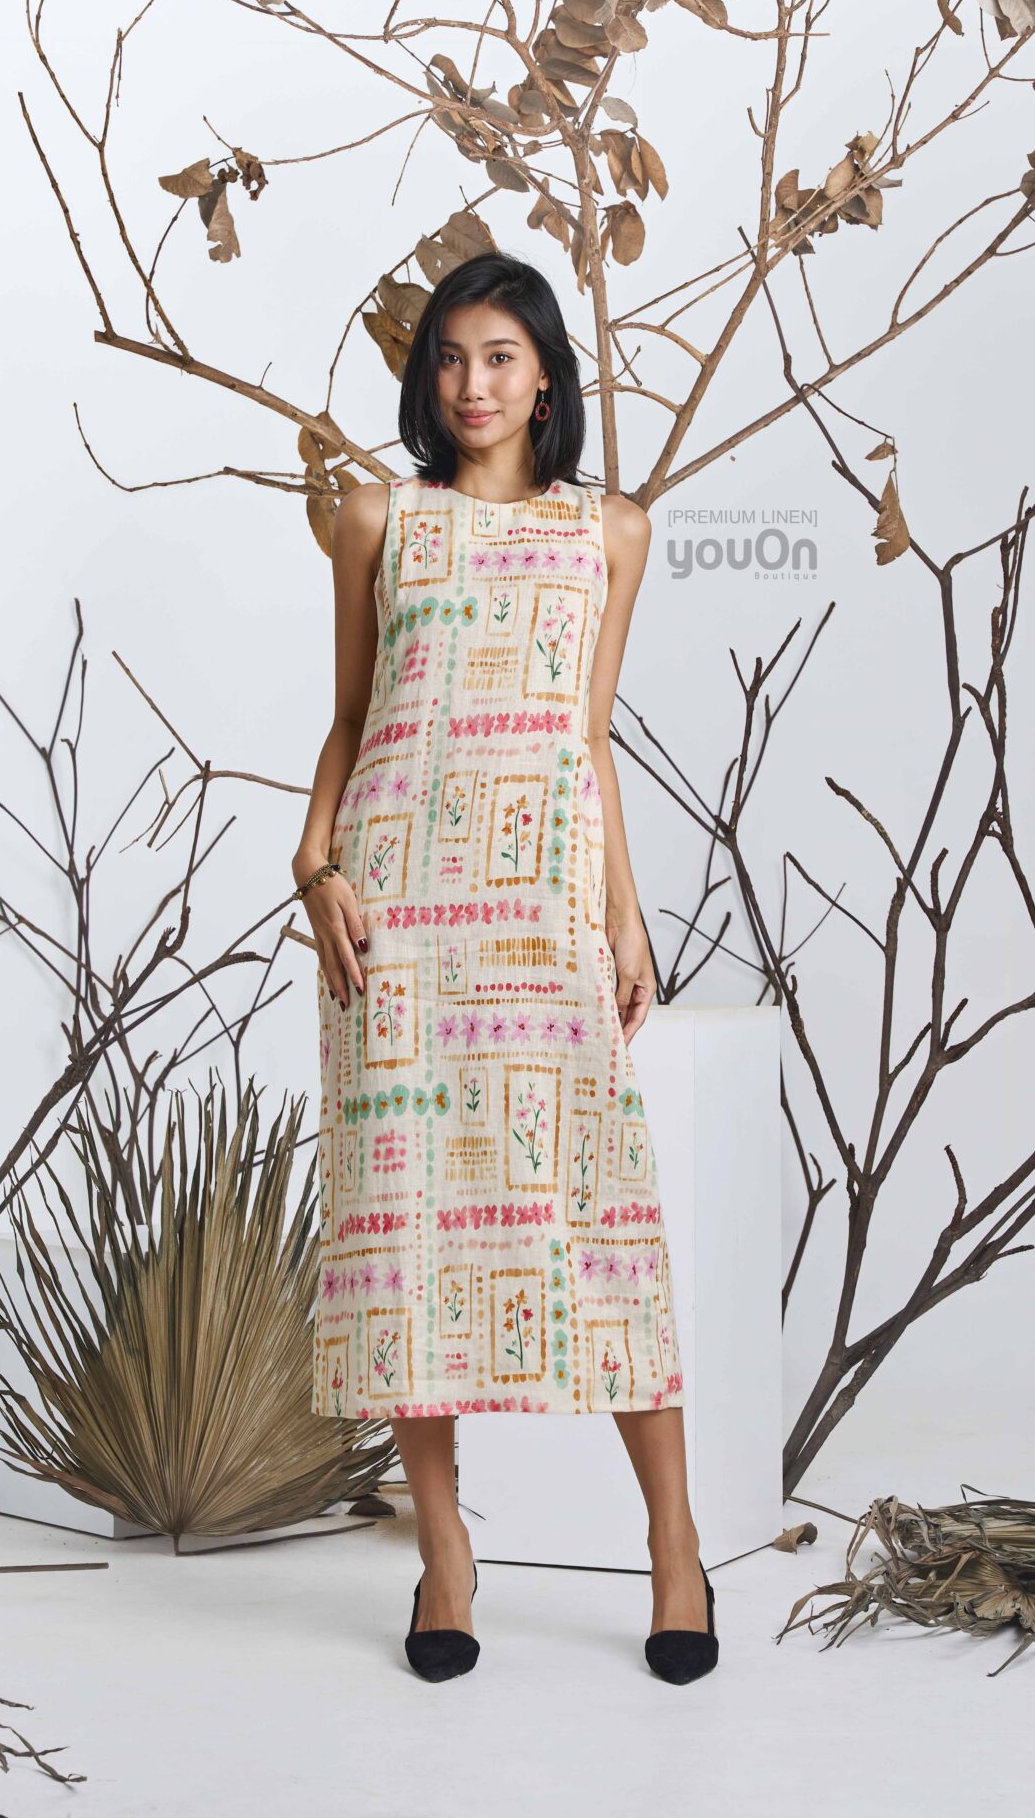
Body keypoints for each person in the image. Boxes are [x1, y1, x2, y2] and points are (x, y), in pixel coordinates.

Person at [291, 250, 717, 1685]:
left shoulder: (612, 531)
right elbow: (352, 716)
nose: (470, 384)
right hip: (398, 918)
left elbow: (586, 737)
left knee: (599, 1219)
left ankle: (675, 1548)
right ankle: (445, 1554)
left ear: (545, 380)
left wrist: (627, 918)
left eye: (499, 358)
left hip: (539, 907)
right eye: (450, 357)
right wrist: (315, 865)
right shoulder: (378, 517)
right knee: (405, 1232)